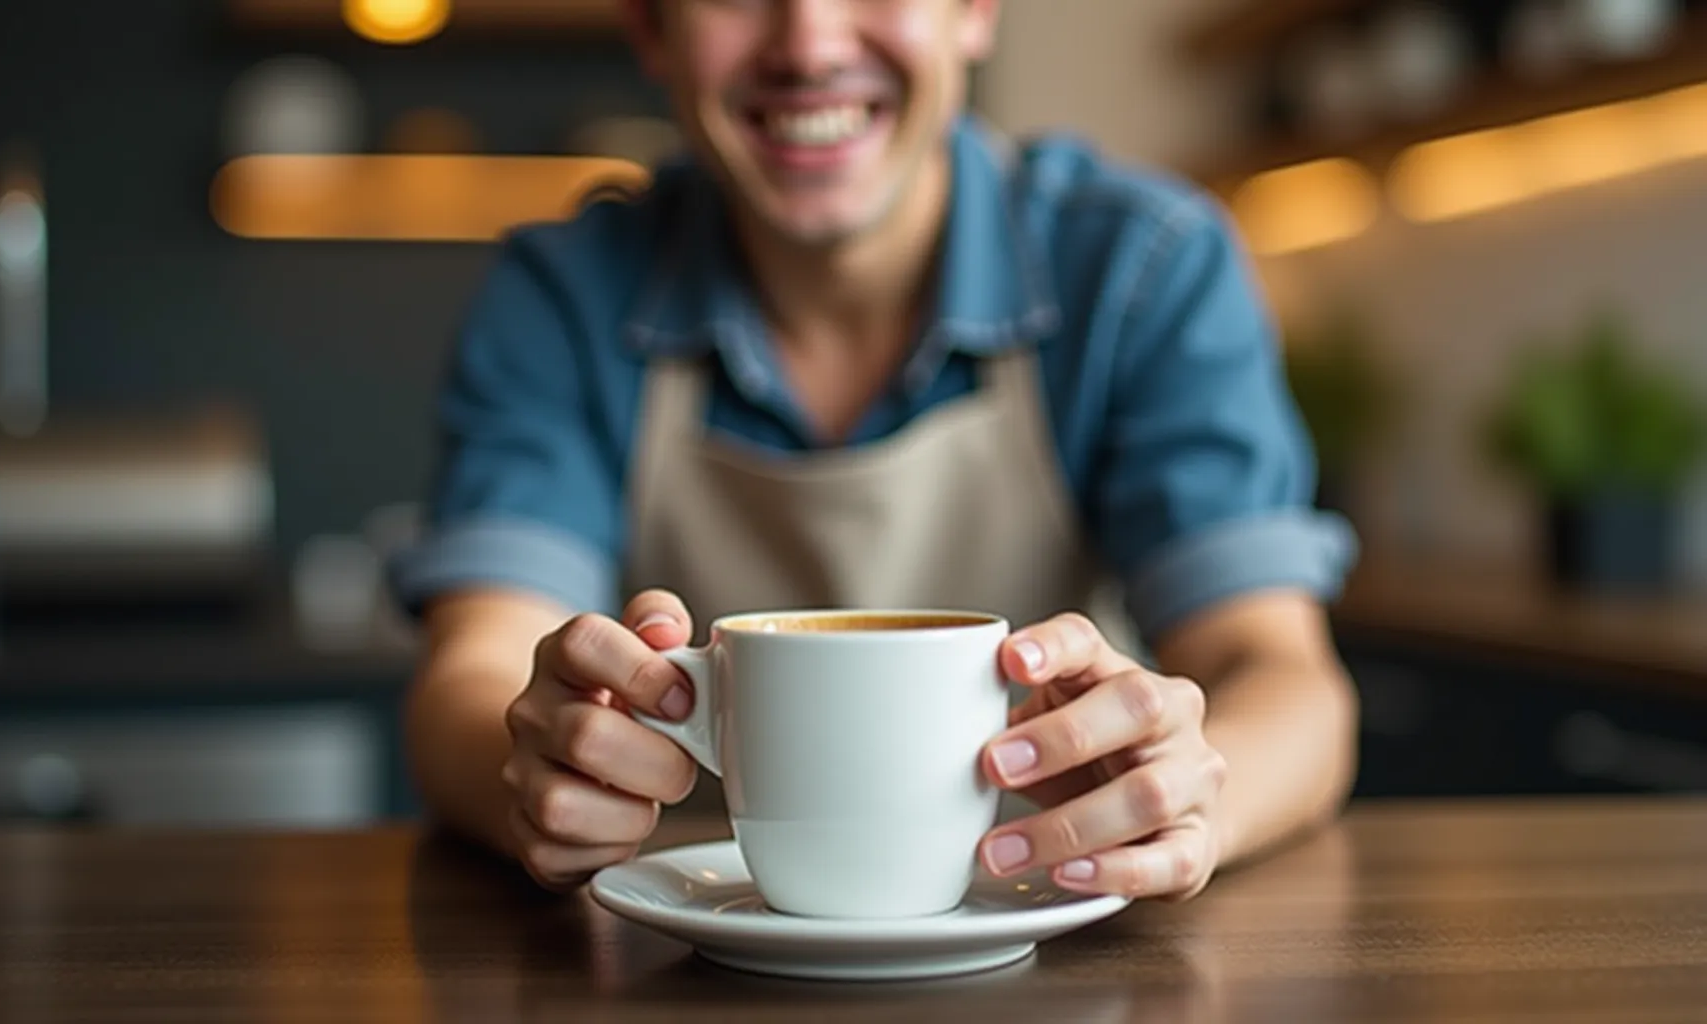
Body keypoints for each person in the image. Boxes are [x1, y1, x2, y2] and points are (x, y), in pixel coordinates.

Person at [391, 0, 1360, 903]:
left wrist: (1190, 801)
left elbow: (1280, 674)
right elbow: (470, 678)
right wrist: (534, 771)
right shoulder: (561, 298)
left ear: (974, 9)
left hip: (1044, 921)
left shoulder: (1141, 270)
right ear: (650, 27)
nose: (809, 43)